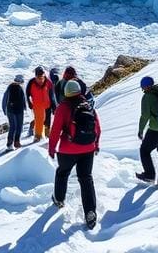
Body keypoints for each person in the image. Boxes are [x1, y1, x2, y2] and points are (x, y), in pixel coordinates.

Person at [49, 79, 101, 230]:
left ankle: (59, 199)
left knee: (62, 172)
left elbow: (55, 131)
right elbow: (97, 127)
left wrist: (52, 149)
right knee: (86, 179)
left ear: (65, 92)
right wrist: (96, 145)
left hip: (67, 150)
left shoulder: (63, 107)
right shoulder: (88, 105)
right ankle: (90, 211)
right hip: (88, 149)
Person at [26, 66, 54, 141]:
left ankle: (48, 135)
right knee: (39, 120)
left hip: (47, 104)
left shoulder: (48, 82)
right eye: (38, 78)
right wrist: (29, 102)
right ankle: (37, 136)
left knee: (47, 119)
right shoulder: (31, 82)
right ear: (35, 76)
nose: (40, 80)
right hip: (37, 105)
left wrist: (54, 105)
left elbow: (52, 94)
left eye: (41, 77)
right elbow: (27, 94)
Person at [2, 73, 27, 151]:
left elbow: (5, 99)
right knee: (19, 126)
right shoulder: (20, 87)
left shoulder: (9, 87)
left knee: (12, 127)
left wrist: (4, 109)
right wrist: (25, 107)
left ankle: (9, 144)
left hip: (10, 110)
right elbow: (23, 99)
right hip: (19, 110)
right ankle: (17, 142)